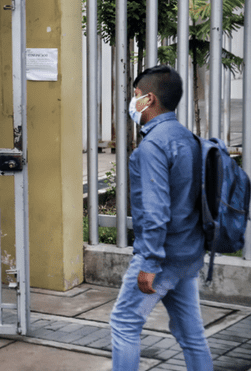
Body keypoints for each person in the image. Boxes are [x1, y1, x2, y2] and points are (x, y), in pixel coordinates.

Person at [110, 65, 213, 371]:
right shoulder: (188, 138)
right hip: (188, 254)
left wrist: (149, 264)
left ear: (149, 98)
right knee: (191, 334)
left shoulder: (153, 146)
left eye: (136, 95)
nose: (133, 100)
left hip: (163, 256)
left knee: (124, 323)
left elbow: (154, 213)